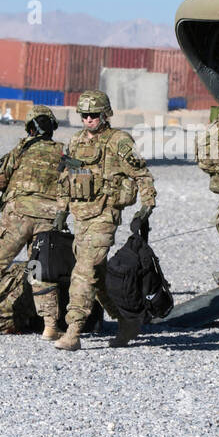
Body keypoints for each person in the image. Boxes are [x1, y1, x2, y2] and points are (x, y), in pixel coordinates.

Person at [53, 90, 156, 351]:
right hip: (81, 216)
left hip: (105, 215)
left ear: (105, 114)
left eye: (94, 115)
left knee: (84, 272)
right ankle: (127, 321)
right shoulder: (75, 142)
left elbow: (141, 174)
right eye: (84, 115)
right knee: (96, 276)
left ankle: (73, 331)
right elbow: (66, 178)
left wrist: (147, 205)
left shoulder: (119, 141)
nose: (89, 119)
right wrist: (61, 210)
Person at [0, 105, 65, 338]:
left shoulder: (21, 149)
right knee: (40, 269)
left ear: (30, 128)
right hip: (48, 219)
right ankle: (50, 326)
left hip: (18, 215)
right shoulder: (63, 153)